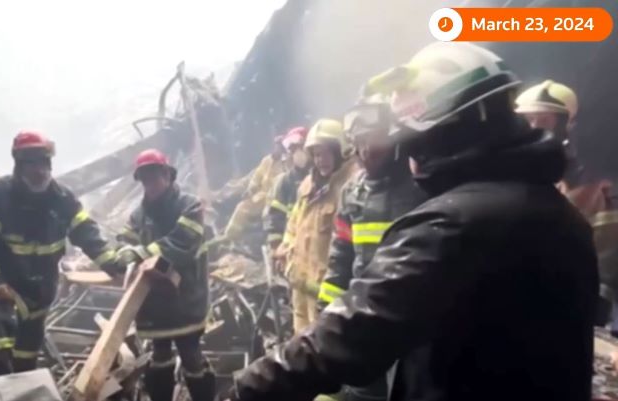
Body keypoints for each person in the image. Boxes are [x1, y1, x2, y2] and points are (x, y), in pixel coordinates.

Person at [231, 42, 598, 401]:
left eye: (416, 141)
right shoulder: (560, 214)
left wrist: (247, 389)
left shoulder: (455, 224)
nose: (412, 158)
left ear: (451, 131)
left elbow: (357, 330)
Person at [0, 131, 123, 379]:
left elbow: (86, 233)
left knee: (26, 358)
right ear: (18, 164)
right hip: (5, 289)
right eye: (31, 163)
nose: (40, 170)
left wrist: (113, 264)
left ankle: (23, 387)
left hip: (40, 293)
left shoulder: (62, 198)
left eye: (44, 162)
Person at [316, 93, 427, 401]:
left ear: (396, 139)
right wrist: (325, 316)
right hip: (364, 324)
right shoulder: (352, 193)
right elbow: (340, 261)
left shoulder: (423, 186)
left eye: (373, 141)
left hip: (412, 331)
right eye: (358, 141)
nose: (365, 151)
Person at [516, 80, 618, 324]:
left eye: (544, 120)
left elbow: (604, 250)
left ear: (567, 124)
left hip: (562, 300)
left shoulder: (590, 184)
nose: (534, 127)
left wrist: (598, 301)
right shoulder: (505, 169)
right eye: (528, 119)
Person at [116, 149, 214, 401]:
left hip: (187, 299)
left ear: (168, 175)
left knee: (191, 355)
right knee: (159, 357)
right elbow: (124, 242)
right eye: (145, 179)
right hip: (155, 304)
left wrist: (142, 252)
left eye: (154, 177)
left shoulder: (190, 205)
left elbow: (182, 242)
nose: (150, 184)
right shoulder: (138, 215)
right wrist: (126, 255)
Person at [277, 119, 358, 333]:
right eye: (316, 154)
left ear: (341, 151)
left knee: (325, 344)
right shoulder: (307, 186)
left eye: (326, 153)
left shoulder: (351, 187)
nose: (321, 160)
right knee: (301, 341)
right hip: (300, 287)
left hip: (328, 292)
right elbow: (294, 223)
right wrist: (285, 248)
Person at [222, 136, 287, 241]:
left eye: (279, 147)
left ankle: (268, 240)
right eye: (276, 146)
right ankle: (230, 236)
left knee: (269, 216)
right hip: (260, 196)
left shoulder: (286, 164)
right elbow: (257, 177)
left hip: (275, 200)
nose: (276, 149)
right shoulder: (266, 160)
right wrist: (250, 190)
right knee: (242, 207)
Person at [263, 126, 310, 251]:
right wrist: (276, 247)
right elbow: (275, 217)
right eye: (293, 150)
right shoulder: (285, 181)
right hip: (290, 246)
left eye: (300, 147)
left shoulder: (320, 176)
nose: (297, 153)